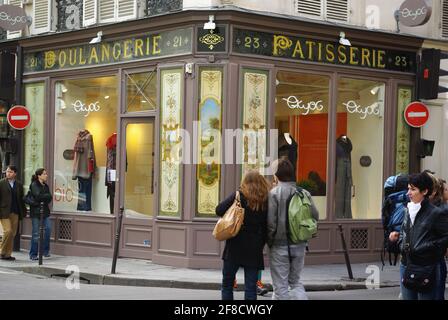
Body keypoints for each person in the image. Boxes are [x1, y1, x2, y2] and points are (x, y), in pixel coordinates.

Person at [389, 171, 448, 300]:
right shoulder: (407, 210)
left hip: (427, 267)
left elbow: (445, 238)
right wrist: (400, 244)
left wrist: (425, 248)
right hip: (406, 264)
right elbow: (405, 233)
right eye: (408, 188)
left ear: (425, 191)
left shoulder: (436, 213)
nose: (408, 193)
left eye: (413, 189)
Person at [267, 158, 318, 300]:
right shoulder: (304, 193)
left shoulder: (274, 194)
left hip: (279, 246)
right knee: (295, 283)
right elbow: (315, 215)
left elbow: (271, 223)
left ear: (276, 176)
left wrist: (269, 242)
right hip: (300, 245)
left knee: (280, 287)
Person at [215, 170, 269, 300]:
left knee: (227, 284)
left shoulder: (239, 195)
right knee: (250, 288)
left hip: (235, 245)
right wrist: (262, 243)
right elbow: (267, 226)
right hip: (254, 247)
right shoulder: (265, 199)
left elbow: (219, 210)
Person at [0, 165, 26, 261]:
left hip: (15, 212)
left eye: (10, 172)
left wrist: (23, 211)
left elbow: (21, 198)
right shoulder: (1, 183)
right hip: (4, 212)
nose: (8, 173)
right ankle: (2, 251)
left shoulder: (19, 184)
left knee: (13, 234)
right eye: (7, 171)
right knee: (8, 231)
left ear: (15, 173)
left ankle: (7, 254)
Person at [28, 168, 52, 260]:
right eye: (44, 174)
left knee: (48, 230)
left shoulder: (46, 186)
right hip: (35, 212)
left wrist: (45, 196)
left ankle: (45, 251)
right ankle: (33, 254)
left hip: (45, 211)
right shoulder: (34, 185)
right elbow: (37, 196)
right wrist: (45, 196)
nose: (46, 175)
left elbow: (50, 197)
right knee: (36, 233)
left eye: (46, 173)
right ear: (39, 176)